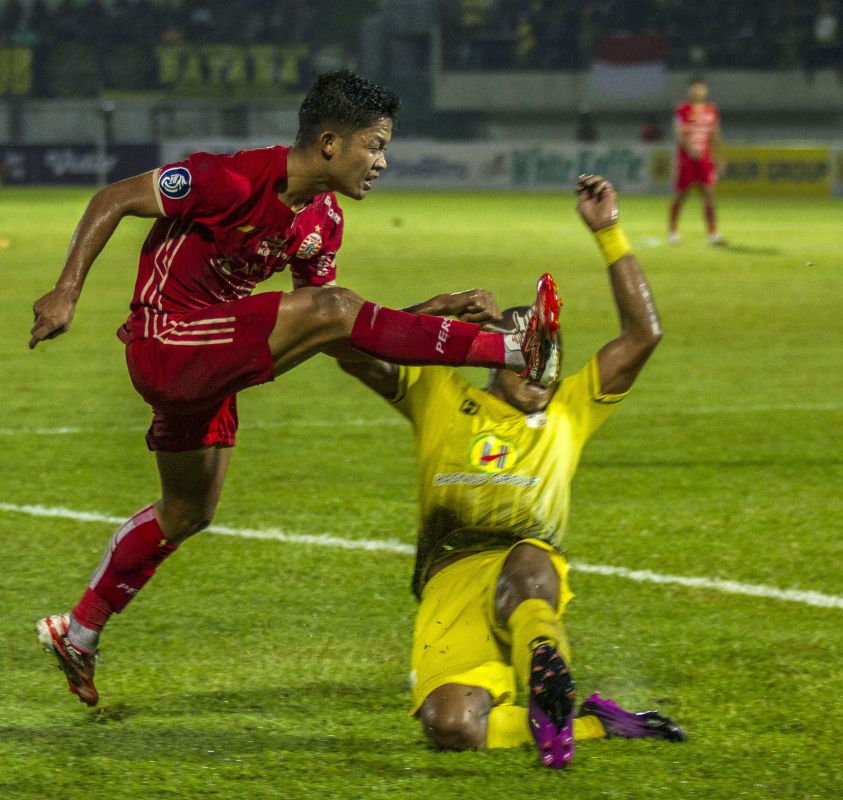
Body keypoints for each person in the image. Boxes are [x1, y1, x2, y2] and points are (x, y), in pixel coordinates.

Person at [30, 70, 560, 708]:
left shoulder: (323, 221)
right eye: (376, 144)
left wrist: (431, 317)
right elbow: (112, 198)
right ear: (331, 142)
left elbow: (336, 332)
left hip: (211, 361)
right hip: (166, 342)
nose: (383, 162)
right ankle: (513, 348)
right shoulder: (225, 179)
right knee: (333, 308)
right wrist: (67, 290)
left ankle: (79, 630)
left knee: (188, 511)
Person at [338, 175, 684, 769]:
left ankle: (547, 664)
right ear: (493, 354)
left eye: (551, 356)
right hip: (450, 576)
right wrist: (442, 310)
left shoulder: (571, 410)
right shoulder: (438, 392)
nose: (541, 371)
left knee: (527, 563)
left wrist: (608, 233)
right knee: (451, 728)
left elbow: (643, 334)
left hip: (524, 569)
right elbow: (349, 343)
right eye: (526, 354)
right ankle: (592, 724)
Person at [667, 76, 726, 246]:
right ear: (689, 90)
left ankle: (713, 233)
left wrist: (720, 158)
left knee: (709, 194)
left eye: (701, 88)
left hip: (705, 159)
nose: (698, 91)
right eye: (694, 88)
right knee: (681, 195)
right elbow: (678, 134)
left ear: (706, 90)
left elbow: (715, 135)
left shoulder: (711, 110)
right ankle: (672, 231)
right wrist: (689, 148)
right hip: (687, 159)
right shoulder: (682, 110)